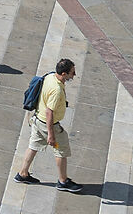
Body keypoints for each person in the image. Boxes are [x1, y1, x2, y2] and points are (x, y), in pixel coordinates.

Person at [14, 58, 85, 192]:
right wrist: (51, 135)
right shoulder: (56, 90)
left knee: (33, 146)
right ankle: (63, 181)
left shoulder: (50, 76)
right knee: (61, 151)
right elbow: (49, 112)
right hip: (49, 125)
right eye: (72, 72)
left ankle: (22, 174)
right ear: (64, 74)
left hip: (37, 120)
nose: (74, 75)